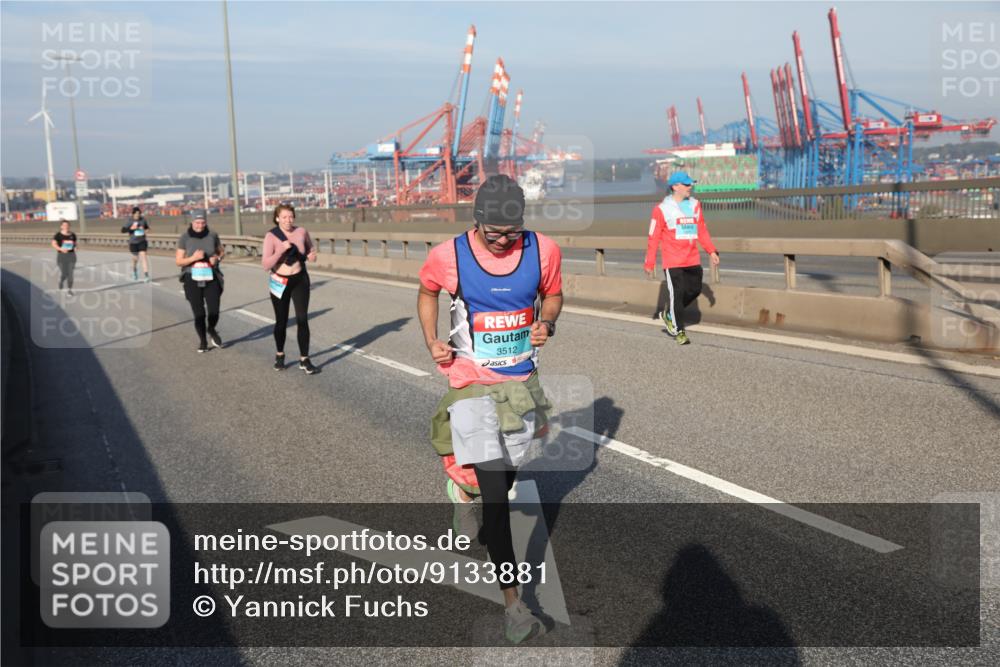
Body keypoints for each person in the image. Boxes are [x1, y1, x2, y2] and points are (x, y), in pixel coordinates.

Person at [417, 174, 562, 644]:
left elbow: (553, 295)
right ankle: (514, 606)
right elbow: (427, 290)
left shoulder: (543, 250)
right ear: (476, 221)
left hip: (520, 385)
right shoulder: (449, 255)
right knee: (498, 499)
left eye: (511, 233)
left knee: (506, 475)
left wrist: (546, 323)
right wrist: (432, 340)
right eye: (493, 233)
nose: (503, 241)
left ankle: (462, 489)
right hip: (471, 384)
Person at [643, 170, 720, 345]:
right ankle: (679, 331)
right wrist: (650, 262)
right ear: (675, 186)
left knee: (695, 289)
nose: (690, 186)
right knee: (677, 295)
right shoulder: (661, 209)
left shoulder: (695, 205)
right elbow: (653, 237)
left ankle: (670, 314)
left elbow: (701, 230)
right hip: (673, 261)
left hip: (692, 258)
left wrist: (711, 251)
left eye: (691, 183)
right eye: (686, 184)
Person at [261, 203, 318, 374]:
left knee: (302, 319)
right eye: (284, 217)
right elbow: (265, 264)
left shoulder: (301, 231)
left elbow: (310, 250)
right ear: (277, 218)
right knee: (281, 321)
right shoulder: (271, 236)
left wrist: (312, 255)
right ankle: (280, 355)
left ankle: (304, 359)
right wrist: (280, 251)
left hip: (300, 279)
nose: (288, 220)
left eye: (291, 216)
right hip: (280, 281)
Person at [175, 209, 225, 353]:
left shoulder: (212, 235)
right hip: (192, 278)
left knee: (214, 310)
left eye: (202, 222)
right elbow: (178, 261)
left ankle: (211, 329)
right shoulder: (185, 237)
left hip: (211, 277)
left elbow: (221, 251)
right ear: (192, 222)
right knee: (199, 314)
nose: (200, 225)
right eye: (197, 222)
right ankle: (203, 341)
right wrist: (193, 258)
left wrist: (217, 258)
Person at [123, 206, 151, 281]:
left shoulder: (143, 220)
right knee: (135, 259)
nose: (138, 215)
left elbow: (147, 228)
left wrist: (145, 230)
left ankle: (146, 276)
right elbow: (123, 230)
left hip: (142, 241)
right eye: (136, 214)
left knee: (143, 257)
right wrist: (131, 229)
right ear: (133, 214)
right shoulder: (130, 221)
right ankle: (134, 271)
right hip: (133, 242)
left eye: (139, 213)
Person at [51, 219, 77, 296]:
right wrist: (60, 249)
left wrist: (75, 247)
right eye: (64, 225)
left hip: (71, 256)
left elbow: (75, 244)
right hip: (62, 257)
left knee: (70, 274)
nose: (66, 226)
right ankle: (61, 281)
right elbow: (53, 244)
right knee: (65, 273)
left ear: (69, 226)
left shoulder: (72, 235)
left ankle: (69, 290)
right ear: (61, 226)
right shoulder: (58, 235)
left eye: (67, 225)